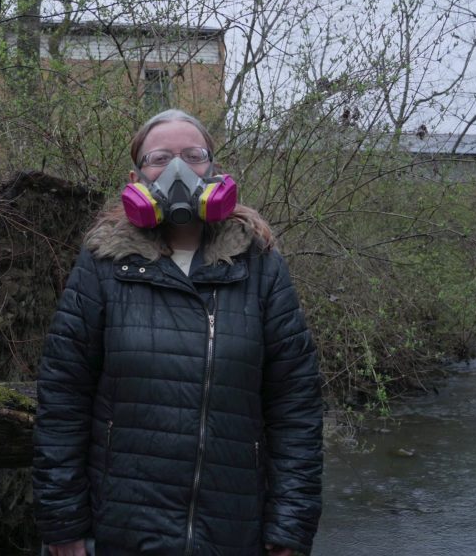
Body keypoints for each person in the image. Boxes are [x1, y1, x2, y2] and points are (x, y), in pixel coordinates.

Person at [33, 110, 323, 556]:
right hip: (121, 531)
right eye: (160, 157)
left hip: (232, 531)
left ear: (214, 170)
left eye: (193, 155)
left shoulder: (260, 265)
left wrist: (290, 526)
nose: (178, 169)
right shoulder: (103, 265)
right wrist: (63, 522)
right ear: (136, 176)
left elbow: (295, 406)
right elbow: (62, 399)